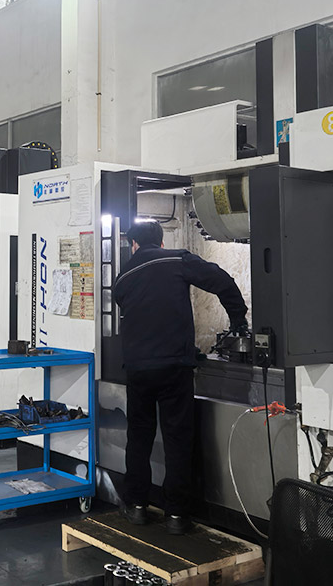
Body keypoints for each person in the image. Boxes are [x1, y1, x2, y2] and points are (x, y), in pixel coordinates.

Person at [113, 220, 248, 534]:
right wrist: (238, 319)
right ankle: (176, 515)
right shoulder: (177, 259)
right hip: (174, 367)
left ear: (133, 245)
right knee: (178, 439)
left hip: (138, 369)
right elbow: (222, 280)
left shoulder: (124, 276)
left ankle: (136, 505)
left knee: (139, 437)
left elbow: (135, 309)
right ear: (161, 242)